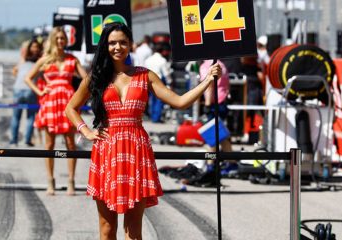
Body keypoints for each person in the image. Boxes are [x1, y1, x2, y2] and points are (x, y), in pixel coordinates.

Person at [65, 22, 221, 239]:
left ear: (131, 45)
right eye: (112, 43)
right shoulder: (96, 77)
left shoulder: (145, 75)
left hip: (136, 151)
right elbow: (70, 108)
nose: (117, 47)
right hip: (107, 151)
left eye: (122, 42)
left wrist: (207, 81)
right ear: (105, 46)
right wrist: (86, 131)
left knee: (134, 229)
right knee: (106, 228)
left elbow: (179, 101)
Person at [25, 27, 88, 195]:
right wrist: (40, 91)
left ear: (66, 40)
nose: (61, 41)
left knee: (70, 144)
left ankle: (71, 181)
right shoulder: (45, 60)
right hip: (51, 102)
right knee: (49, 144)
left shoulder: (72, 59)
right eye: (58, 38)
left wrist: (81, 96)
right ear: (53, 40)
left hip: (68, 103)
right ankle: (50, 180)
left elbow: (87, 79)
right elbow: (27, 78)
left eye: (63, 38)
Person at [9, 38, 43, 147]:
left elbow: (14, 70)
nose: (35, 49)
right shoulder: (41, 60)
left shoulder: (23, 59)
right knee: (30, 116)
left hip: (18, 88)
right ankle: (26, 140)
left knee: (16, 116)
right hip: (30, 89)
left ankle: (14, 141)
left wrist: (19, 76)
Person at [144, 43, 172, 122]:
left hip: (147, 80)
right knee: (159, 100)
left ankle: (152, 116)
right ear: (162, 51)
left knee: (151, 100)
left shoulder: (148, 60)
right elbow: (166, 73)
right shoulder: (162, 60)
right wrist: (170, 82)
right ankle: (156, 118)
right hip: (158, 81)